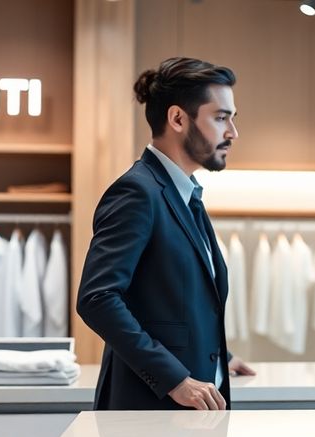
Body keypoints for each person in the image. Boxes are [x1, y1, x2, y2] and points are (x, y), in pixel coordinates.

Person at [77, 57, 255, 411]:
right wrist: (174, 378)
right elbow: (98, 298)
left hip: (191, 412)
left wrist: (218, 355)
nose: (233, 132)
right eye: (221, 118)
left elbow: (170, 299)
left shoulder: (185, 193)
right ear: (178, 118)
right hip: (148, 409)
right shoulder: (137, 192)